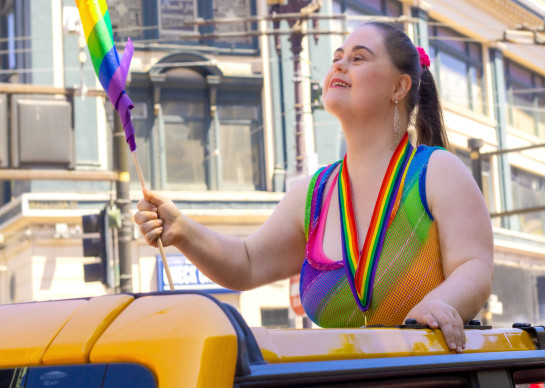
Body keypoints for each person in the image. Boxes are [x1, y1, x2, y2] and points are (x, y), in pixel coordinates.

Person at [134, 22, 494, 353]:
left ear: (399, 87)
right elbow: (247, 263)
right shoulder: (314, 194)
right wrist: (182, 230)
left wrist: (439, 304)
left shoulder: (436, 170)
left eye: (358, 58)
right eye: (337, 58)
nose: (339, 65)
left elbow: (474, 266)